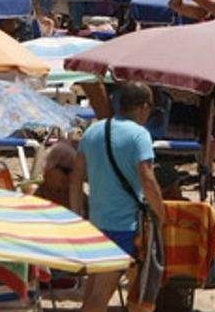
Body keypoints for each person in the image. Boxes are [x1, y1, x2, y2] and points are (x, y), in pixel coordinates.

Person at [70, 83, 164, 312]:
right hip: (124, 227)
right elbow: (147, 179)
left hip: (96, 225)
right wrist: (162, 214)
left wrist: (76, 218)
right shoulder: (139, 135)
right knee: (100, 297)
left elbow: (76, 178)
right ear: (143, 107)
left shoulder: (93, 131)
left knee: (99, 292)